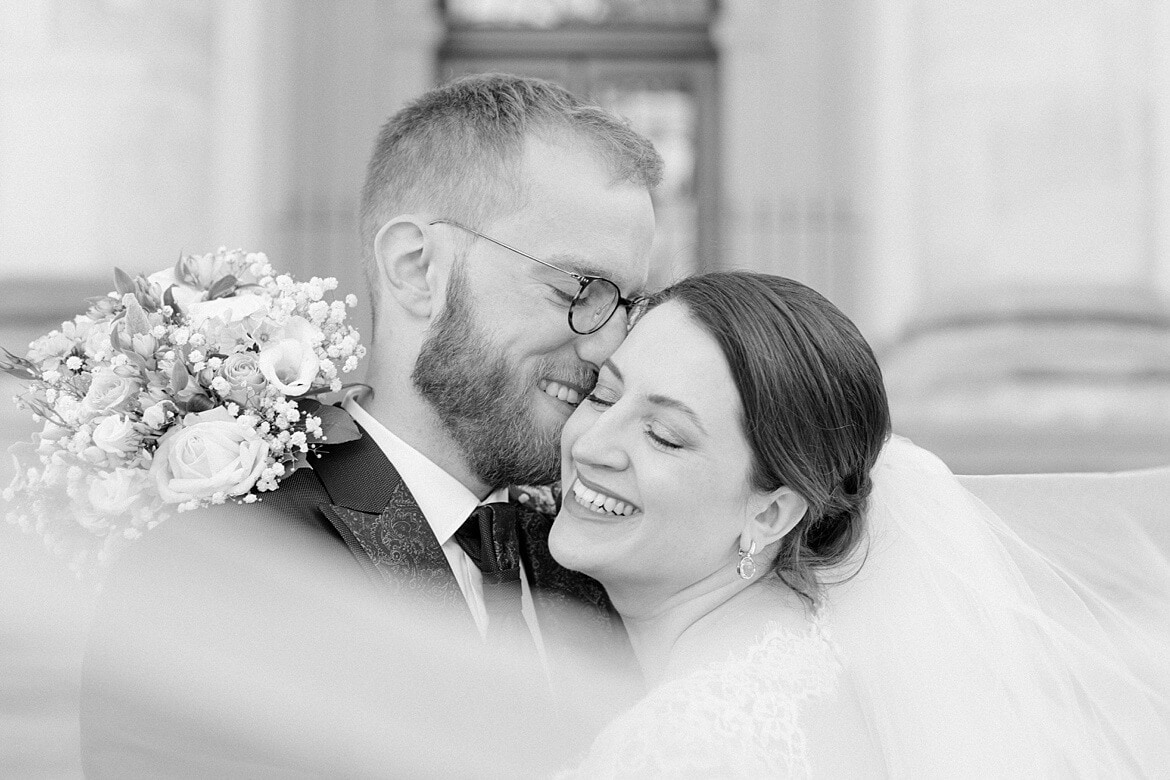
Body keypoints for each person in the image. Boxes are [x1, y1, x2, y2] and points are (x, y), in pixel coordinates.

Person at [79, 72, 662, 776]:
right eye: (578, 291)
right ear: (416, 267)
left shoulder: (590, 563)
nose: (607, 345)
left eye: (625, 303)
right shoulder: (228, 568)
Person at [550, 271, 1170, 777]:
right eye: (602, 396)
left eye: (664, 437)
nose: (592, 444)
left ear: (770, 512)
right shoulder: (839, 669)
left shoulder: (675, 748)